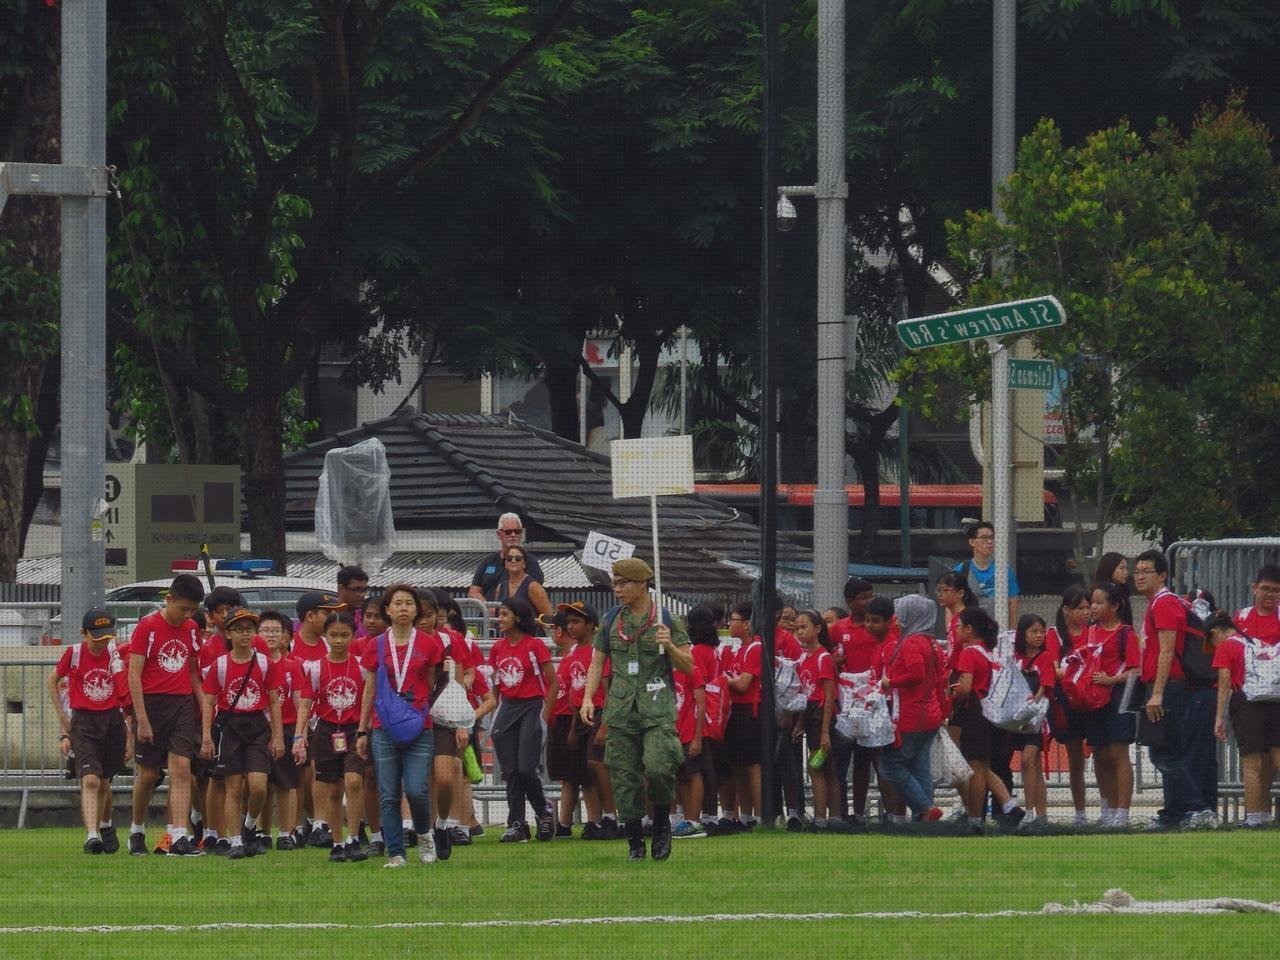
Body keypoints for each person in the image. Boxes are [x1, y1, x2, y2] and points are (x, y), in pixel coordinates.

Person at [581, 557, 693, 862]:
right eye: (615, 583)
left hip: (656, 709)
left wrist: (668, 645)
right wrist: (588, 697)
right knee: (624, 777)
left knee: (659, 768)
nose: (617, 589)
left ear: (642, 583)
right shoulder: (610, 620)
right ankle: (634, 841)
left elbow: (689, 666)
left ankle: (660, 823)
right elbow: (597, 661)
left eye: (623, 583)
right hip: (621, 710)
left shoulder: (667, 620)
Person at [355, 583, 446, 867]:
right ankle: (396, 852)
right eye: (397, 604)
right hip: (383, 725)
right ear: (387, 610)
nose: (403, 608)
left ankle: (424, 833)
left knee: (418, 789)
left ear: (417, 609)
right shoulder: (376, 645)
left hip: (419, 724)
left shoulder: (429, 643)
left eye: (408, 603)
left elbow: (432, 682)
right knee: (388, 791)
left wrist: (419, 707)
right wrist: (362, 728)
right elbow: (369, 687)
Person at [1133, 549, 1215, 830]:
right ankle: (1173, 813)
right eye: (1138, 571)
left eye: (1147, 571)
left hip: (1169, 687)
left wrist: (1157, 693)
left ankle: (1199, 808)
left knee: (1162, 753)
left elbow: (1168, 651)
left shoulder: (1164, 603)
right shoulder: (1160, 602)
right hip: (1168, 686)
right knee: (1172, 750)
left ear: (1162, 575)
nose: (1140, 576)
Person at [127, 573, 205, 857]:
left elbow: (194, 672)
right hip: (151, 704)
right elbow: (134, 674)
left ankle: (178, 835)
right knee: (148, 775)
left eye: (192, 610)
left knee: (182, 769)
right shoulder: (147, 627)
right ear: (168, 599)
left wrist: (204, 705)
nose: (187, 615)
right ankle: (136, 830)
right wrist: (142, 719)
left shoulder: (191, 628)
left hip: (182, 704)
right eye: (183, 608)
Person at [198, 608, 285, 860]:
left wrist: (277, 736)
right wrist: (206, 737)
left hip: (257, 726)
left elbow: (273, 701)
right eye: (239, 629)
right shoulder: (221, 665)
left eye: (249, 629)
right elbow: (208, 701)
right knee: (233, 786)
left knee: (258, 785)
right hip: (230, 727)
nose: (245, 634)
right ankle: (235, 840)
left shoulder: (264, 662)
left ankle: (249, 826)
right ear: (228, 633)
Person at [48, 608, 133, 854]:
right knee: (90, 779)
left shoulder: (115, 654)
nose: (102, 643)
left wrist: (128, 735)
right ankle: (91, 835)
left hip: (112, 721)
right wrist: (64, 721)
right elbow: (53, 680)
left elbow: (123, 695)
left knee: (105, 782)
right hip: (84, 722)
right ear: (84, 633)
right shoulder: (74, 653)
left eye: (106, 637)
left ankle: (106, 824)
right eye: (96, 637)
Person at [295, 612, 368, 862]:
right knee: (333, 791)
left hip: (354, 730)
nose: (339, 641)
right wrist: (299, 737)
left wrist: (365, 730)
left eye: (345, 635)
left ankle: (355, 837)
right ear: (325, 636)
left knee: (354, 781)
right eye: (333, 635)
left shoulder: (361, 666)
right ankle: (337, 842)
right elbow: (305, 704)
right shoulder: (315, 668)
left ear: (353, 636)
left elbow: (369, 700)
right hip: (326, 731)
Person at [488, 596, 557, 843]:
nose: (500, 619)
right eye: (499, 614)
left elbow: (553, 683)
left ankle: (544, 812)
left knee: (527, 768)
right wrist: (491, 712)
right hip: (508, 707)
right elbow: (496, 687)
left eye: (504, 614)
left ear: (517, 616)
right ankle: (517, 824)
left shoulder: (534, 646)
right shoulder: (497, 648)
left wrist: (544, 716)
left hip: (532, 706)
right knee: (512, 771)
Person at [951, 606, 1024, 830]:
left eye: (959, 626)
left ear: (970, 629)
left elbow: (965, 687)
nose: (955, 630)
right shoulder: (992, 653)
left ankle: (975, 820)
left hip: (976, 713)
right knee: (983, 766)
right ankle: (1009, 804)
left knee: (975, 768)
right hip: (994, 716)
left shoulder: (969, 653)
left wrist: (951, 695)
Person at [874, 594, 945, 823]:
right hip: (929, 712)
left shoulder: (912, 643)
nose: (896, 618)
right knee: (919, 764)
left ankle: (924, 808)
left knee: (891, 766)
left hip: (912, 714)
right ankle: (924, 815)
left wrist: (890, 683)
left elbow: (917, 674)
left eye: (901, 612)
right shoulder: (929, 642)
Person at [1210, 607, 1280, 827]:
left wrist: (1219, 717)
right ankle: (1266, 814)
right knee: (1276, 758)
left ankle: (1254, 818)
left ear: (1216, 632)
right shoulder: (1263, 645)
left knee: (1252, 763)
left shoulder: (1227, 646)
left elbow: (1224, 681)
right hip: (1276, 701)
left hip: (1247, 703)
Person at [1083, 583, 1139, 828]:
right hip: (1093, 700)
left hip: (1117, 699)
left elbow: (1136, 670)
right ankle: (1106, 810)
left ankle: (1122, 814)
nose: (1093, 607)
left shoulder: (1126, 633)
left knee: (1118, 754)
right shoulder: (1090, 632)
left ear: (1115, 606)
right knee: (1100, 754)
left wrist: (1110, 680)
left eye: (1099, 602)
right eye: (1091, 602)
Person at [292, 590, 345, 845]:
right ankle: (307, 821)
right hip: (297, 718)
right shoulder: (290, 644)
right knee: (301, 775)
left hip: (327, 720)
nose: (333, 617)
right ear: (310, 616)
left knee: (323, 771)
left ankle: (322, 822)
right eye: (327, 613)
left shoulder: (331, 643)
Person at [830, 580, 882, 823]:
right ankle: (839, 814)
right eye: (863, 597)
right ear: (850, 602)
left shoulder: (882, 626)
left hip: (873, 703)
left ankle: (860, 814)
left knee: (867, 761)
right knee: (841, 761)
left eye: (871, 596)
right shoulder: (839, 629)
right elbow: (828, 658)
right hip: (847, 706)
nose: (869, 601)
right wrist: (836, 661)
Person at [256, 610, 304, 851]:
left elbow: (299, 701)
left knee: (286, 783)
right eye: (265, 630)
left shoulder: (292, 666)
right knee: (261, 782)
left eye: (276, 631)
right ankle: (261, 831)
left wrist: (300, 735)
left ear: (285, 636)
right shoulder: (253, 664)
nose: (271, 635)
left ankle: (287, 832)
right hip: (258, 729)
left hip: (286, 728)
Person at [1046, 585, 1091, 826]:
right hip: (1068, 700)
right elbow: (1054, 669)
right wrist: (1076, 673)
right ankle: (1080, 812)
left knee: (1105, 755)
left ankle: (1109, 809)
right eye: (1080, 608)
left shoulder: (1092, 632)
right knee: (1075, 760)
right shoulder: (1055, 635)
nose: (1086, 612)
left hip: (1092, 699)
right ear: (1066, 610)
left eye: (1087, 607)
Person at [793, 610, 837, 828]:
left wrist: (825, 731)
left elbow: (829, 697)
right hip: (810, 714)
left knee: (816, 768)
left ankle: (822, 819)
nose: (800, 632)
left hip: (821, 715)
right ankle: (828, 818)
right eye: (797, 628)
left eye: (804, 627)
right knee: (820, 769)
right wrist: (800, 723)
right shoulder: (803, 658)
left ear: (817, 629)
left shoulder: (823, 657)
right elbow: (805, 694)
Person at [1011, 614, 1054, 828]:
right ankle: (1041, 815)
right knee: (1033, 765)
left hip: (1037, 719)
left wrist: (1032, 702)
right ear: (1023, 634)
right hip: (1017, 719)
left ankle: (1030, 811)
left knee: (1028, 759)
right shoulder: (1015, 657)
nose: (1039, 635)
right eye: (1034, 631)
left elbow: (1045, 686)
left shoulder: (1045, 657)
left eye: (1041, 631)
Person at [468, 512, 545, 602]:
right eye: (508, 532)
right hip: (488, 614)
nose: (513, 535)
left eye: (517, 531)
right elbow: (473, 591)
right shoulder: (488, 561)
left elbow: (536, 591)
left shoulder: (529, 561)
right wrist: (487, 606)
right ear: (499, 534)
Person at [954, 520, 1019, 625]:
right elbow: (953, 603)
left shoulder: (1004, 570)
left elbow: (1013, 602)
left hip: (998, 629)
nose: (989, 542)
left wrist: (1011, 631)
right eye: (984, 538)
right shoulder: (960, 571)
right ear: (972, 542)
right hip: (970, 631)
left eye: (991, 538)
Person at [486, 544, 553, 619]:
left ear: (524, 564)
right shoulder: (500, 587)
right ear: (505, 563)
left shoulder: (533, 586)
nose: (513, 560)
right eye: (509, 558)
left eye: (518, 558)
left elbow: (548, 616)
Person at [1092, 552, 1133, 626]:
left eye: (1126, 568)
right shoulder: (1100, 592)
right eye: (1121, 568)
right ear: (1109, 568)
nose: (1126, 572)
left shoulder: (1122, 592)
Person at [336, 566, 371, 638]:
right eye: (356, 590)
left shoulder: (367, 619)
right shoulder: (328, 618)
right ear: (341, 589)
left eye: (364, 590)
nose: (362, 595)